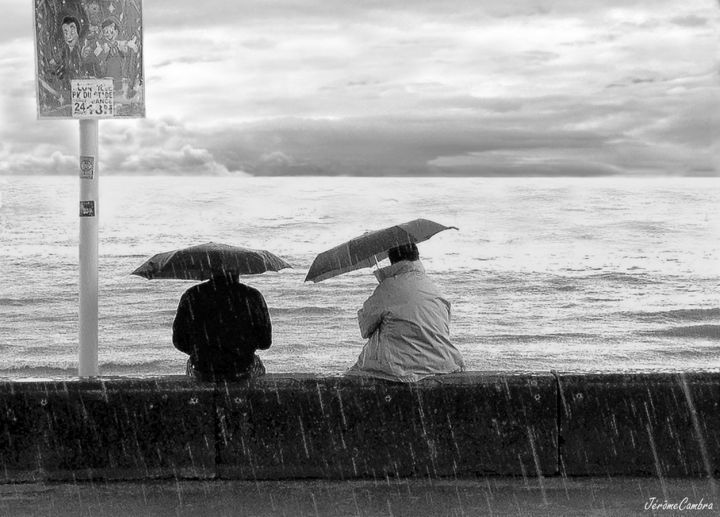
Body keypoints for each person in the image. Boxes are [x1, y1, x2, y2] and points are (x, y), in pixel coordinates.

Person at [347, 242, 465, 382]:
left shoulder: (388, 287)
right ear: (416, 257)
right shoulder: (431, 286)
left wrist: (369, 306)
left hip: (399, 366)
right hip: (443, 361)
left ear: (392, 261)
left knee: (354, 373)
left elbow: (365, 329)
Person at [172, 272, 271, 382]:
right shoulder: (252, 295)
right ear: (237, 271)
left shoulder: (191, 294)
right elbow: (265, 342)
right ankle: (249, 397)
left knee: (192, 366)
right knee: (258, 367)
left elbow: (179, 341)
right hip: (241, 369)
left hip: (203, 369)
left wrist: (201, 352)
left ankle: (199, 396)